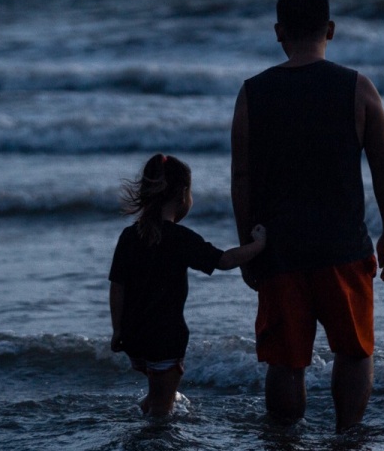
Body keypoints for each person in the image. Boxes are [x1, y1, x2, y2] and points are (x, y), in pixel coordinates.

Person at [231, 0, 384, 432]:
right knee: (354, 351)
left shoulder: (253, 94)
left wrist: (247, 244)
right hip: (343, 248)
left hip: (279, 250)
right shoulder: (357, 88)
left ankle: (286, 447)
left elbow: (242, 177)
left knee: (286, 360)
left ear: (278, 32)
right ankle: (347, 437)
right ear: (330, 29)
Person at [109, 153, 266, 416]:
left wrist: (117, 330)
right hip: (166, 337)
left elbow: (117, 286)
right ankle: (149, 434)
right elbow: (224, 260)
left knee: (156, 394)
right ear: (183, 195)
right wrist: (258, 246)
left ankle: (137, 422)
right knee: (162, 408)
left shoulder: (129, 236)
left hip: (134, 337)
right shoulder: (180, 238)